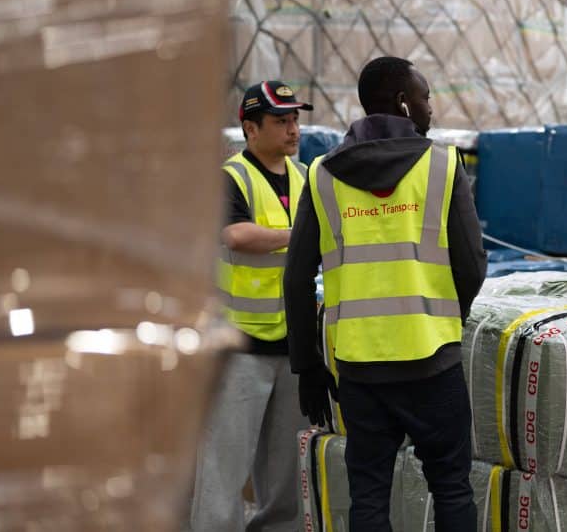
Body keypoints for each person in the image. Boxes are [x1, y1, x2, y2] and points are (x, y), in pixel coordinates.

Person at [284, 56, 487, 531]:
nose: (430, 107)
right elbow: (473, 264)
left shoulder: (321, 174)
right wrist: (446, 319)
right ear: (402, 102)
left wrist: (307, 365)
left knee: (369, 496)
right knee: (451, 488)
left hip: (360, 367)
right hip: (432, 361)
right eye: (425, 97)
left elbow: (296, 278)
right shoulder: (442, 164)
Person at [191, 80, 313, 532]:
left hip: (291, 346)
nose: (293, 129)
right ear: (251, 128)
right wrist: (300, 236)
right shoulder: (231, 178)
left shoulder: (305, 178)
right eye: (281, 121)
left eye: (295, 119)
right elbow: (237, 235)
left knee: (287, 476)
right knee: (223, 470)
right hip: (239, 347)